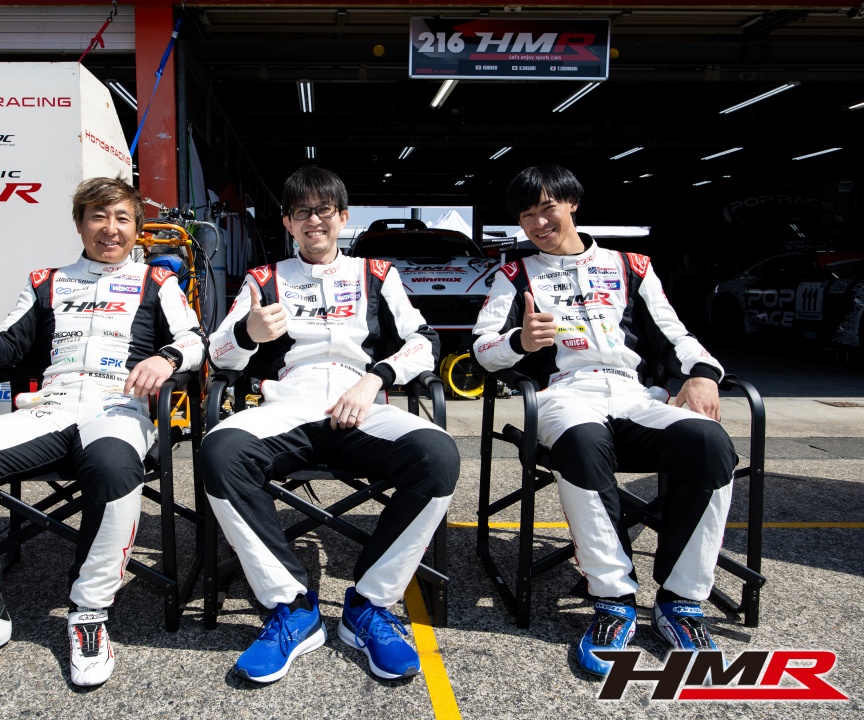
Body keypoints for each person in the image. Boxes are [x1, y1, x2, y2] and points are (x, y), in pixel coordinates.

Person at [0, 176, 206, 695]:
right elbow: (5, 351)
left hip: (118, 408)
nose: (110, 229)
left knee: (113, 467)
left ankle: (89, 612)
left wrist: (166, 358)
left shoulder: (158, 282)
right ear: (79, 224)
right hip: (50, 408)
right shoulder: (46, 281)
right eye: (98, 216)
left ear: (137, 228)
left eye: (122, 218)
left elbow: (194, 340)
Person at [472, 164, 736, 677]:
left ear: (572, 203)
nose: (538, 223)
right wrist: (519, 342)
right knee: (581, 442)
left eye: (547, 208)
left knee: (709, 441)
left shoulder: (631, 265)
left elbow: (675, 333)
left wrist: (704, 374)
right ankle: (613, 599)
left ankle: (681, 602)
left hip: (636, 395)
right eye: (526, 216)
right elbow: (482, 351)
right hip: (564, 396)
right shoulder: (513, 275)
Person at [200, 165, 459, 683]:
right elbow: (219, 355)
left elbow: (425, 342)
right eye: (301, 212)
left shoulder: (377, 273)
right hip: (288, 406)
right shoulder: (263, 279)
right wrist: (248, 333)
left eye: (324, 210)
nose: (313, 221)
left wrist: (376, 377)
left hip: (361, 403)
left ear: (342, 217)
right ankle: (292, 607)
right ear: (287, 222)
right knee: (219, 450)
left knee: (438, 454)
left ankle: (370, 605)